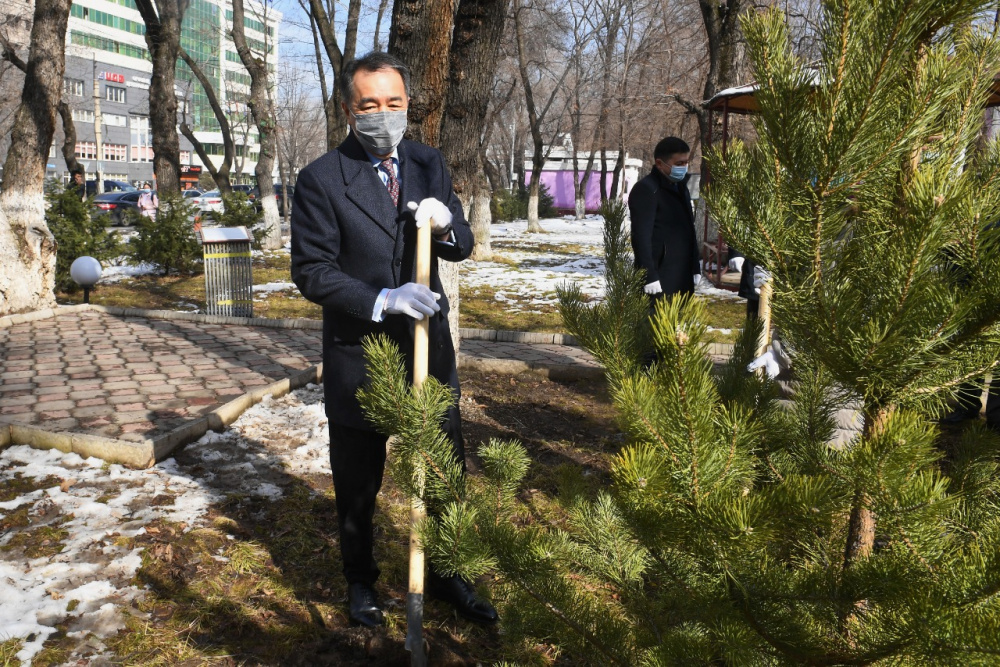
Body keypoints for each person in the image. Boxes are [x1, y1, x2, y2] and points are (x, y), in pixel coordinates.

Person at [290, 51, 498, 629]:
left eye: (394, 103)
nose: (383, 115)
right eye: (370, 105)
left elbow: (461, 246)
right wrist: (383, 299)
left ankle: (449, 572)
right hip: (361, 352)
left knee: (443, 467)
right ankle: (360, 583)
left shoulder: (428, 162)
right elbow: (312, 270)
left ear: (408, 105)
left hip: (429, 347)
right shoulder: (321, 179)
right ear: (349, 109)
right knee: (358, 480)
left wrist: (447, 223)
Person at [628, 136, 702, 300]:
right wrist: (648, 275)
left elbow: (689, 230)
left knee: (676, 323)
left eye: (686, 162)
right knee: (654, 323)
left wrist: (695, 266)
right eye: (679, 164)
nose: (684, 167)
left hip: (682, 273)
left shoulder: (681, 187)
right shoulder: (647, 190)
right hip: (659, 277)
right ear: (660, 163)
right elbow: (641, 236)